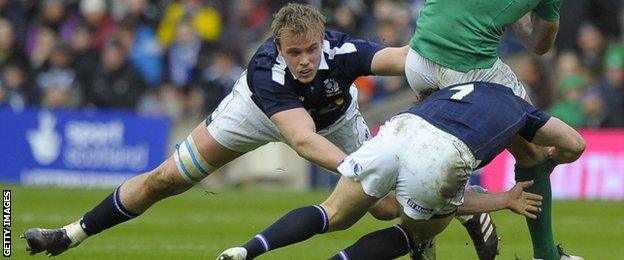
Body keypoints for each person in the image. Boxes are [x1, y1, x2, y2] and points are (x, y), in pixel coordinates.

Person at [21, 3, 419, 256]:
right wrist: (361, 166)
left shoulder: (341, 50)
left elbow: (403, 58)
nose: (304, 61)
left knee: (386, 208)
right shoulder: (267, 72)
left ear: (322, 40)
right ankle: (71, 233)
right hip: (257, 112)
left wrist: (453, 55)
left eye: (311, 50)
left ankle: (427, 234)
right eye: (293, 52)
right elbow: (301, 139)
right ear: (278, 47)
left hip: (336, 120)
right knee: (165, 178)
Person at [218, 81, 585, 260]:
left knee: (334, 212)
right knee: (417, 233)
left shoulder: (460, 88)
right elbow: (575, 144)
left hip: (401, 128)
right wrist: (506, 197)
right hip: (443, 154)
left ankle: (247, 250)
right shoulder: (521, 108)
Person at [394, 1, 581, 259]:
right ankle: (546, 255)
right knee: (533, 154)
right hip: (464, 64)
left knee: (430, 157)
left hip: (417, 58)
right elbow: (540, 43)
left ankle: (424, 242)